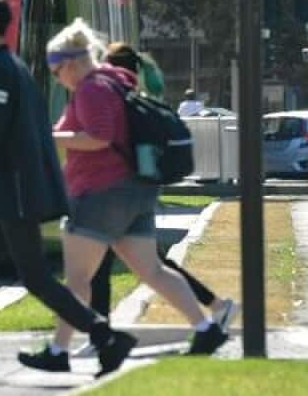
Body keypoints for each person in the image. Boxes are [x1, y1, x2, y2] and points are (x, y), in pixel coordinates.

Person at [0, 0, 136, 383]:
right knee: (11, 274)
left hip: (11, 194)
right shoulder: (11, 68)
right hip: (15, 193)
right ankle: (104, 337)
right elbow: (11, 119)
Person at [18, 20, 228, 374]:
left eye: (56, 71)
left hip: (100, 193)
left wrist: (53, 139)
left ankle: (58, 350)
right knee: (153, 270)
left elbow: (98, 137)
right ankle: (205, 329)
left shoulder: (90, 89)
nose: (57, 79)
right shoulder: (115, 83)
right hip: (135, 191)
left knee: (77, 280)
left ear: (70, 62)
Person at [75, 43, 235, 358]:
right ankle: (216, 308)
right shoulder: (140, 101)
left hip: (119, 193)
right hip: (136, 191)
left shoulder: (119, 102)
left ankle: (100, 336)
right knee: (152, 265)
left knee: (109, 266)